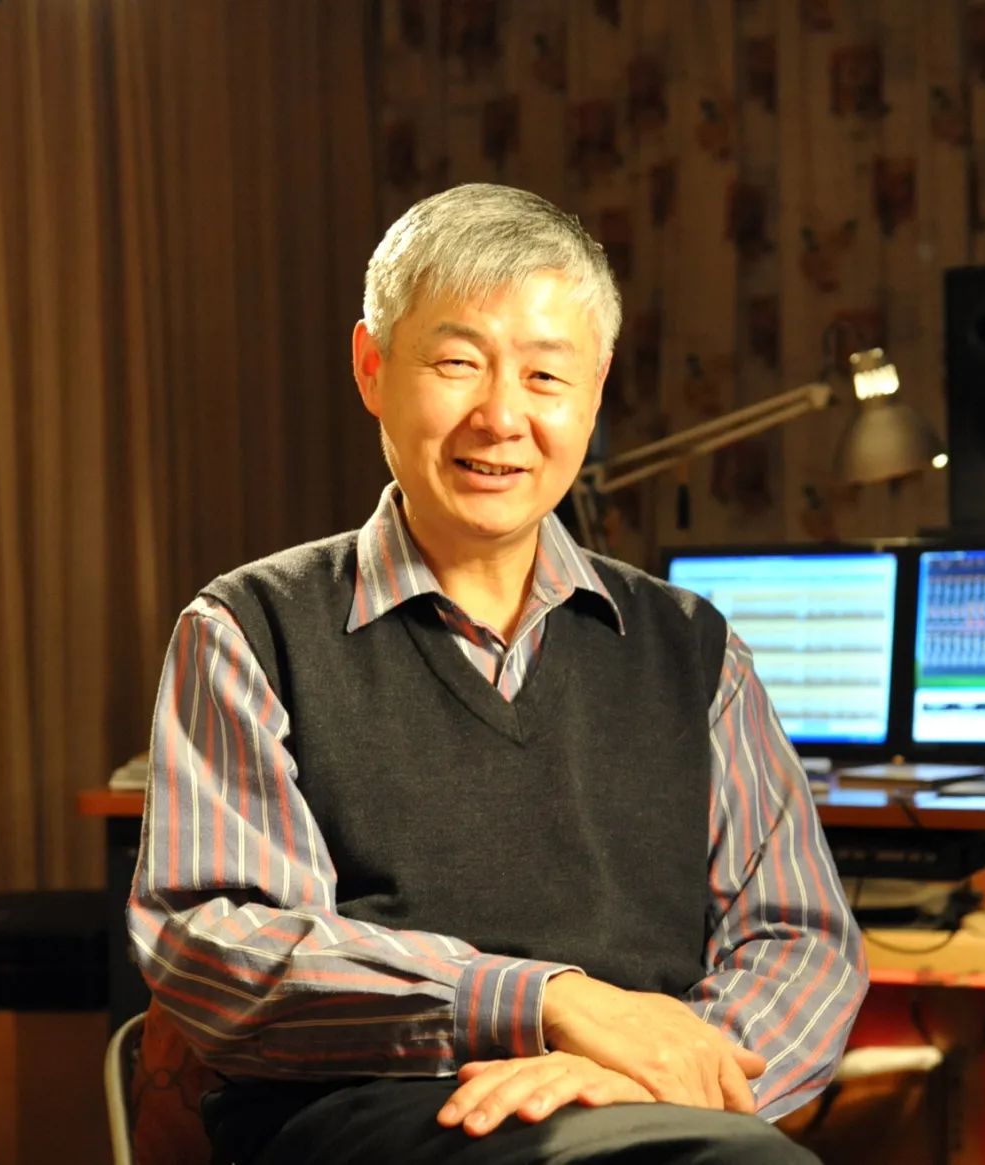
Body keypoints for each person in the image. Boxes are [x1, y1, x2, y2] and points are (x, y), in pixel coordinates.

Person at [129, 183, 867, 1165]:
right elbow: (222, 943)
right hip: (369, 1115)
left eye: (545, 374)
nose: (501, 416)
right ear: (372, 368)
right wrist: (544, 1003)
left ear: (596, 387)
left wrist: (656, 1072)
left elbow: (803, 939)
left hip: (655, 1119)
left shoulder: (693, 650)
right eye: (457, 363)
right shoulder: (249, 629)